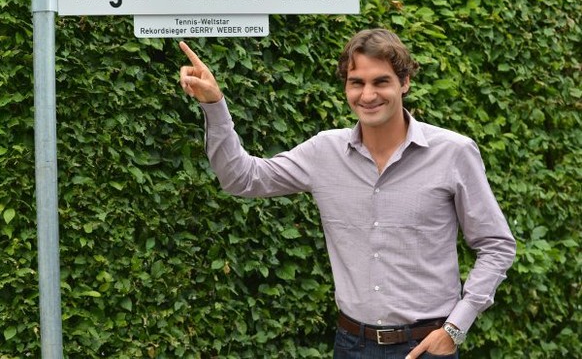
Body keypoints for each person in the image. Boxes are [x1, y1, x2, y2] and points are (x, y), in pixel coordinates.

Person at [178, 29, 516, 358]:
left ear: (405, 82)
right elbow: (242, 178)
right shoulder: (324, 151)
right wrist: (214, 105)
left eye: (381, 81)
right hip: (353, 345)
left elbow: (496, 244)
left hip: (426, 345)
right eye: (357, 83)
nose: (367, 95)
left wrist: (455, 328)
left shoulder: (453, 152)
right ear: (346, 87)